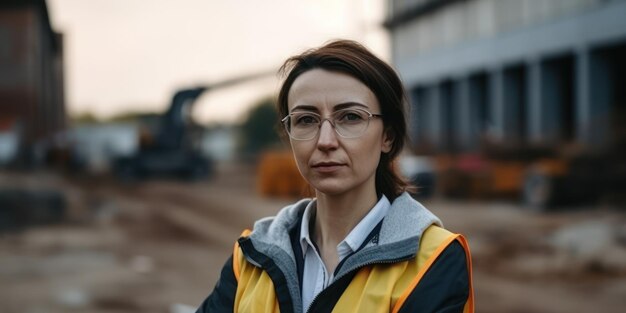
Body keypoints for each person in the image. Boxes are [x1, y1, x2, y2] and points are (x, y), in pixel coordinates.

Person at [195, 40, 474, 313]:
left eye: (350, 117)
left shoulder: (434, 259)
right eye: (306, 119)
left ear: (387, 136)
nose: (325, 141)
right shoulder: (251, 256)